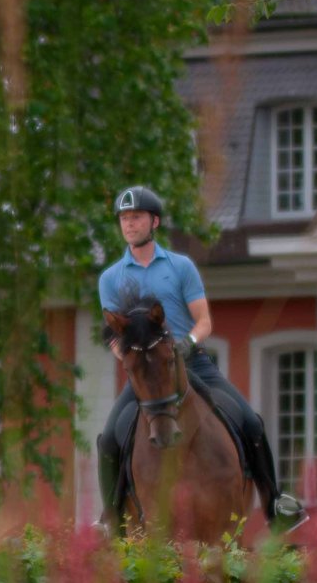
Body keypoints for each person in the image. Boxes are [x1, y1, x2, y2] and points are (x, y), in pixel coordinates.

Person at [95, 185, 304, 531]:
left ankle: (275, 505)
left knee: (251, 422)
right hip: (147, 375)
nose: (129, 225)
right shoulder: (110, 278)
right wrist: (128, 358)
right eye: (124, 219)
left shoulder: (180, 267)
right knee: (108, 439)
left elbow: (204, 321)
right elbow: (114, 334)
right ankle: (111, 518)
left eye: (136, 217)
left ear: (154, 221)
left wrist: (187, 345)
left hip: (192, 363)